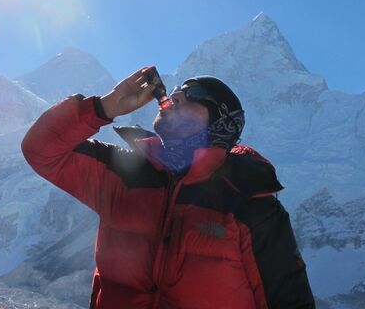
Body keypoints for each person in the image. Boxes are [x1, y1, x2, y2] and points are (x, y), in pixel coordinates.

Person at [21, 67, 315, 309]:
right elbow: (40, 150)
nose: (173, 97)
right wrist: (103, 107)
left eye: (194, 96)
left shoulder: (250, 203)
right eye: (175, 91)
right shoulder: (124, 172)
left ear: (222, 123)